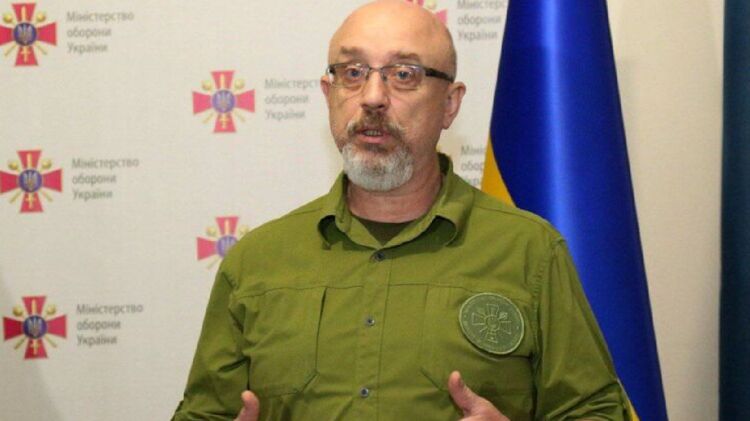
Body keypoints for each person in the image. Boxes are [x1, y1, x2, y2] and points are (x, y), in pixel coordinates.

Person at [173, 1, 630, 420]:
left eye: (404, 74)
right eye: (353, 72)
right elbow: (203, 413)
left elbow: (596, 411)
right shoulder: (257, 261)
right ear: (328, 93)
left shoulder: (529, 251)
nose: (372, 96)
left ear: (449, 104)